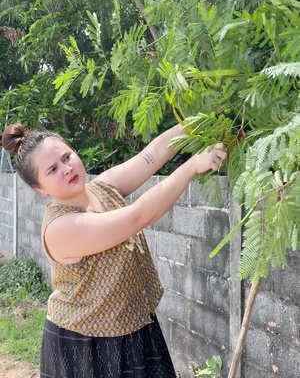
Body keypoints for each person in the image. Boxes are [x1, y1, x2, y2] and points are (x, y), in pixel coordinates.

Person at [2, 122, 226, 378]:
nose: (66, 169)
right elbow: (138, 217)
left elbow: (150, 155)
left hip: (135, 326)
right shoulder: (60, 228)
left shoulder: (103, 187)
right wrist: (192, 166)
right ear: (39, 188)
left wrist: (195, 123)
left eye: (67, 157)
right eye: (52, 169)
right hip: (87, 344)